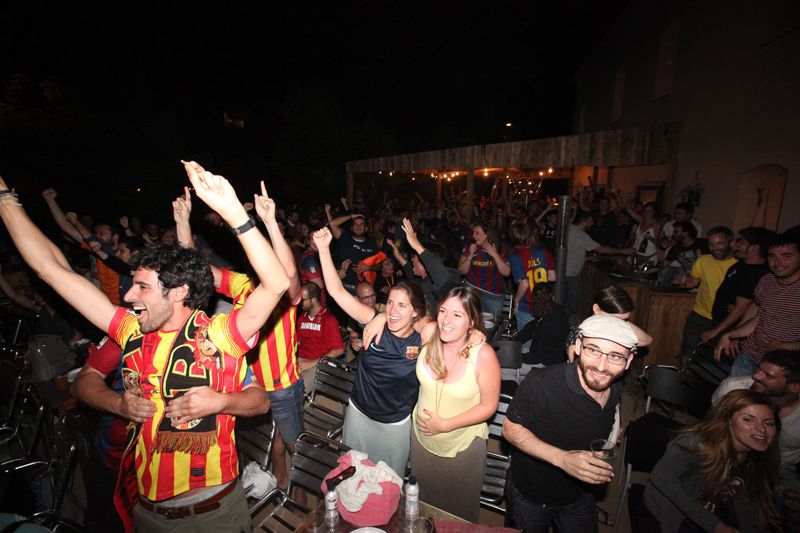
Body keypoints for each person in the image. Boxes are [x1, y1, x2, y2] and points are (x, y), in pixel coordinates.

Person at [0, 162, 289, 531]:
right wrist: (6, 200)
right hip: (147, 511)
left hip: (213, 516)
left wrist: (233, 211)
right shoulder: (130, 330)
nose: (130, 295)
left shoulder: (219, 334)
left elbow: (276, 284)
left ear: (180, 292)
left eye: (143, 287)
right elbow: (50, 269)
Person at [173, 180, 307, 491]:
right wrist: (182, 223)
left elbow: (288, 276)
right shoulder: (242, 284)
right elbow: (196, 270)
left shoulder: (287, 293)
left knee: (291, 443)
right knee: (267, 439)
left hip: (284, 387)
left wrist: (271, 222)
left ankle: (301, 495)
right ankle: (279, 481)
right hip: (248, 385)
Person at [503, 314, 639, 532]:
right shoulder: (542, 383)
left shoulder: (615, 385)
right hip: (532, 496)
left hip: (580, 495)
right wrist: (563, 459)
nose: (602, 366)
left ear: (629, 360)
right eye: (593, 350)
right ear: (577, 345)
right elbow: (510, 430)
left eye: (615, 356)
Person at [313, 226, 427, 475]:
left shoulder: (423, 339)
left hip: (394, 425)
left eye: (402, 306)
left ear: (416, 312)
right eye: (391, 304)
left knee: (389, 482)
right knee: (351, 474)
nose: (394, 311)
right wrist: (323, 250)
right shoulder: (372, 319)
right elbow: (336, 291)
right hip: (359, 414)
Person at [410, 285, 501, 522]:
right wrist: (379, 320)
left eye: (457, 314)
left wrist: (446, 425)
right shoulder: (430, 333)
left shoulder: (483, 355)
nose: (445, 321)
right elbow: (406, 317)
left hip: (462, 448)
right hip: (421, 441)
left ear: (472, 321)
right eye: (443, 311)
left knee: (457, 517)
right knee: (423, 507)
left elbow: (489, 406)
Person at [645, 389, 780, 533]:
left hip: (711, 509)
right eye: (748, 419)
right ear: (727, 420)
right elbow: (661, 479)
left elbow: (744, 497)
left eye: (769, 424)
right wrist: (715, 526)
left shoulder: (756, 456)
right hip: (673, 512)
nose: (762, 430)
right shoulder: (695, 444)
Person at [712, 350, 800, 521]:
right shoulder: (734, 389)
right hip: (730, 457)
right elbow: (712, 431)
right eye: (759, 369)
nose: (756, 376)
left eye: (767, 375)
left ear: (795, 387)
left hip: (779, 468)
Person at [716, 232, 800, 377]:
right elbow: (760, 317)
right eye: (772, 256)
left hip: (782, 368)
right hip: (749, 355)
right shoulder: (766, 281)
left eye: (787, 256)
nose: (777, 263)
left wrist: (784, 347)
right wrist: (731, 334)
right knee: (733, 395)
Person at [700, 226, 774, 343]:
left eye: (742, 242)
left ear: (755, 248)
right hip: (721, 322)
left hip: (729, 329)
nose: (737, 245)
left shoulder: (755, 273)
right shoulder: (743, 264)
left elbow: (740, 308)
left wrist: (716, 331)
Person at [674, 226, 736, 360]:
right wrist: (683, 282)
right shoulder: (703, 260)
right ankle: (682, 379)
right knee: (687, 352)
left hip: (724, 319)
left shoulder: (738, 264)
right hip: (699, 315)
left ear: (731, 243)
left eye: (720, 243)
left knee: (712, 359)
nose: (715, 248)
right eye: (711, 244)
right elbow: (692, 283)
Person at [564, 211, 636, 314]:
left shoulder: (570, 228)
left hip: (565, 271)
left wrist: (583, 259)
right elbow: (599, 249)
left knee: (565, 301)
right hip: (569, 274)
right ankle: (564, 326)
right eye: (591, 221)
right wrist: (623, 251)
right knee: (571, 303)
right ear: (585, 221)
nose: (592, 223)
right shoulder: (579, 234)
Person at [388, 218, 459, 315]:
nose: (411, 259)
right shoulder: (424, 281)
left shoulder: (442, 286)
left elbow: (437, 270)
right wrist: (399, 257)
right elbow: (410, 273)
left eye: (414, 257)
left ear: (424, 263)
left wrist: (417, 245)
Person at [566, 285, 653, 362]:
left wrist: (622, 322)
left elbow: (647, 340)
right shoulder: (579, 333)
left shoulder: (617, 330)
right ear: (596, 309)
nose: (619, 324)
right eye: (615, 319)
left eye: (625, 319)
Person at [507, 222, 556, 348]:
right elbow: (552, 277)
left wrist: (516, 301)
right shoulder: (544, 251)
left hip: (527, 305)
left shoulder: (515, 257)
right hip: (546, 303)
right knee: (542, 341)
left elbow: (524, 283)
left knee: (526, 344)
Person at [297, 281, 344, 393]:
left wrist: (312, 362)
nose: (299, 302)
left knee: (298, 390)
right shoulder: (302, 318)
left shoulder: (328, 320)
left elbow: (339, 350)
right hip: (300, 360)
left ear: (313, 299)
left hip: (318, 363)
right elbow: (297, 342)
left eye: (303, 299)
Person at [458, 221, 511, 319]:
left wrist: (495, 254)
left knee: (492, 327)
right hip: (473, 291)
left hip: (493, 295)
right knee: (471, 323)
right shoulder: (470, 246)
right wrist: (470, 255)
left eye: (477, 233)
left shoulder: (500, 247)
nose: (473, 236)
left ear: (487, 234)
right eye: (473, 233)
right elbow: (461, 271)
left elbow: (506, 273)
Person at [325, 206, 382, 295]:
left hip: (365, 289)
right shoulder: (345, 238)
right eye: (355, 224)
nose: (358, 227)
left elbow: (379, 265)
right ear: (352, 227)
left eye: (361, 224)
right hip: (346, 287)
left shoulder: (372, 243)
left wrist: (368, 268)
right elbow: (332, 224)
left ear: (366, 228)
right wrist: (351, 216)